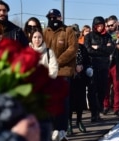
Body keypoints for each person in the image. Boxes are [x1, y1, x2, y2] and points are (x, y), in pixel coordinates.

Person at [44, 8, 78, 141]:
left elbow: (73, 48)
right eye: (50, 17)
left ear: (60, 18)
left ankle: (62, 130)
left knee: (63, 103)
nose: (53, 20)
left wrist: (57, 62)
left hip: (63, 71)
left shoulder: (68, 31)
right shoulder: (45, 31)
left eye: (55, 17)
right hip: (48, 73)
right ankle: (52, 130)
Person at [84, 16, 115, 122]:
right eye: (98, 25)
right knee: (93, 91)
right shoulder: (88, 36)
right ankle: (94, 113)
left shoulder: (107, 36)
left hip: (104, 66)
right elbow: (88, 50)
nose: (100, 28)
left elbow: (110, 49)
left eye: (101, 25)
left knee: (102, 90)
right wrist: (103, 49)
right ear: (94, 26)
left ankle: (99, 111)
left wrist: (99, 47)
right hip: (93, 67)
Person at [67, 24, 91, 135]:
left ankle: (79, 121)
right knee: (69, 102)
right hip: (69, 78)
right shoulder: (65, 49)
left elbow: (87, 62)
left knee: (80, 101)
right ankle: (69, 124)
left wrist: (83, 67)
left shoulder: (82, 48)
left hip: (81, 78)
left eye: (75, 35)